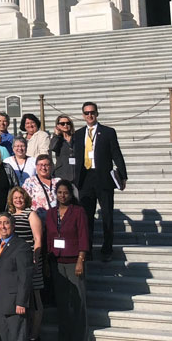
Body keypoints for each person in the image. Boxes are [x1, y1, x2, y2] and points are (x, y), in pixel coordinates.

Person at [74, 102, 127, 262]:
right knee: (86, 216)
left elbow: (116, 153)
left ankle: (107, 248)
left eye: (92, 112)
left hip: (103, 177)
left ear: (97, 114)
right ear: (83, 115)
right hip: (86, 178)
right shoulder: (79, 134)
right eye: (86, 113)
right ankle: (87, 249)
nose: (89, 115)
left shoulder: (108, 132)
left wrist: (123, 175)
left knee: (107, 214)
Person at [45, 180, 89, 341]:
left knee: (77, 299)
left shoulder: (78, 212)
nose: (62, 195)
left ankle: (79, 337)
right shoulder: (51, 213)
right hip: (56, 260)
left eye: (66, 192)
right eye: (60, 192)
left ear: (71, 195)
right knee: (62, 301)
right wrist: (48, 263)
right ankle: (64, 336)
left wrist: (81, 259)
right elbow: (49, 237)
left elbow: (84, 236)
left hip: (73, 260)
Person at [0, 212, 33, 341]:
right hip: (0, 300)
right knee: (7, 339)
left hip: (15, 302)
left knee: (17, 339)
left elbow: (25, 277)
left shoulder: (21, 246)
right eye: (0, 223)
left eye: (6, 223)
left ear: (13, 226)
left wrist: (21, 302)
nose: (2, 226)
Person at [8, 186, 44, 341]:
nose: (18, 200)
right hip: (14, 264)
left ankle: (35, 333)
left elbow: (38, 239)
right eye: (15, 197)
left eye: (21, 197)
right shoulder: (9, 216)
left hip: (30, 260)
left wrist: (35, 258)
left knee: (35, 298)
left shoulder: (31, 214)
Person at [49, 114, 77, 184]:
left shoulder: (76, 137)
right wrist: (56, 135)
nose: (65, 125)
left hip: (76, 172)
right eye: (62, 124)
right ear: (58, 126)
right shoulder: (57, 139)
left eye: (68, 123)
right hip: (63, 173)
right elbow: (53, 147)